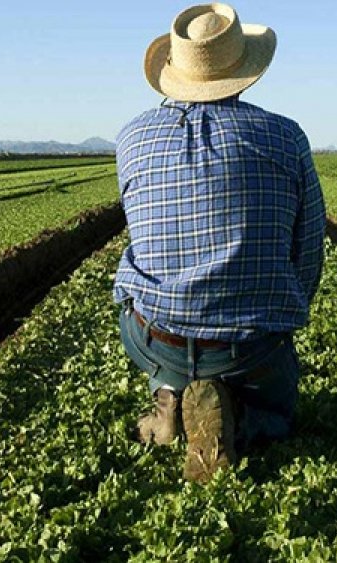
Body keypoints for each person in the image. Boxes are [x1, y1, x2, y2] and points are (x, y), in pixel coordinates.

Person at [113, 3, 325, 483]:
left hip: (157, 337)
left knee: (132, 303)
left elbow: (142, 240)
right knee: (281, 411)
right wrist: (282, 319)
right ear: (245, 69)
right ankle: (245, 419)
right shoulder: (286, 137)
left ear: (175, 69)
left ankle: (171, 393)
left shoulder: (131, 139)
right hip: (250, 348)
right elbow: (308, 252)